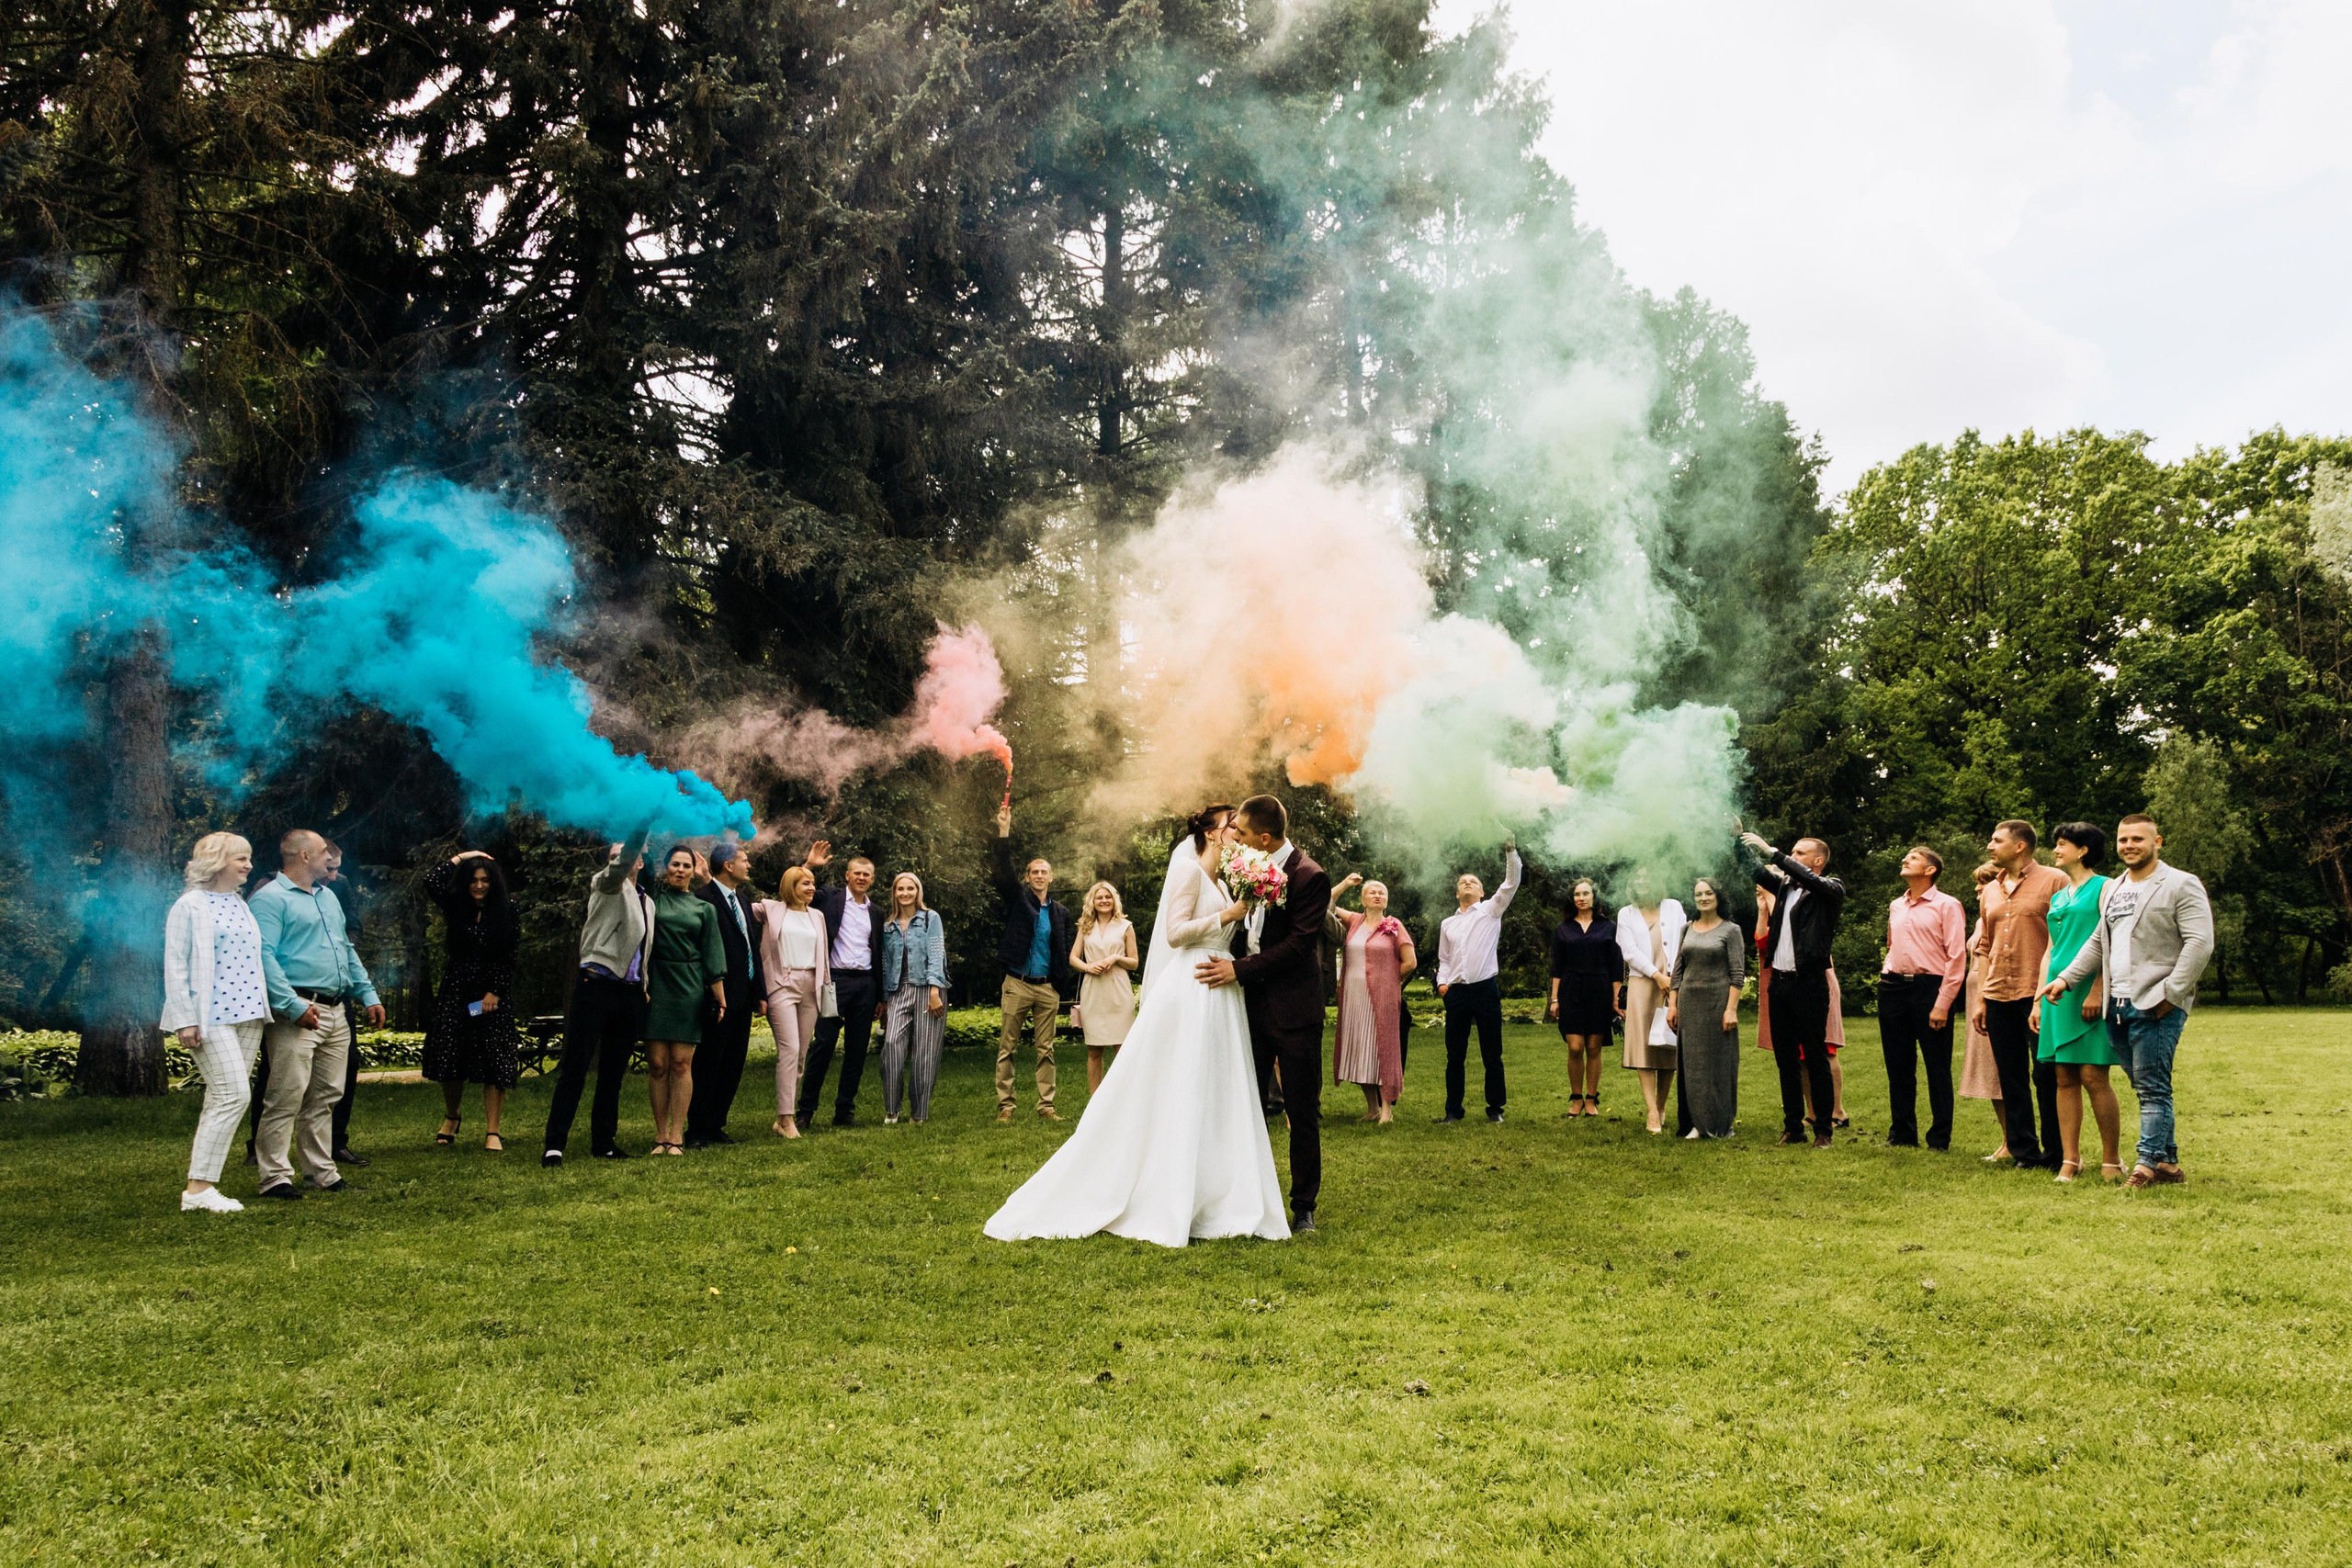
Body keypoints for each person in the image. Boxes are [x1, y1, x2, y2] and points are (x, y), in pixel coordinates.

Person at [986, 804, 1288, 1246]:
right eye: (1229, 826)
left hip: (1222, 988)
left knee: (1219, 1087)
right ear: (1208, 833)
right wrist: (1230, 914)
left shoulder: (1225, 880)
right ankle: (1170, 1187)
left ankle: (1221, 1189)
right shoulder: (1187, 872)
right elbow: (1174, 933)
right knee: (1184, 1083)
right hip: (1192, 986)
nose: (1236, 833)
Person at [2043, 813, 2214, 1190]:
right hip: (2116, 1003)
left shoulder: (2181, 884)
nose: (2129, 846)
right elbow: (2098, 943)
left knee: (2153, 1088)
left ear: (2158, 841)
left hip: (2157, 1001)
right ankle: (2168, 1163)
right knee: (2145, 1085)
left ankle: (2144, 1166)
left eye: (2138, 839)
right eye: (2123, 840)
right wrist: (2066, 979)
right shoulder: (2116, 887)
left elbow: (2200, 943)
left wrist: (2171, 993)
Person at [1198, 795, 1335, 1232]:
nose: (1231, 837)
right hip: (1248, 1008)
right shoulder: (1244, 867)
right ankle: (1241, 1200)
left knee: (1301, 1109)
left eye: (1238, 831)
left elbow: (1297, 947)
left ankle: (1303, 1207)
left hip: (1295, 1010)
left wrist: (1237, 970)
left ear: (1264, 837)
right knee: (1244, 1104)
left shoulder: (1309, 876)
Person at [249, 829, 384, 1198]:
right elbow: (264, 958)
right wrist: (293, 1007)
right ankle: (275, 1177)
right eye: (325, 851)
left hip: (336, 1010)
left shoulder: (328, 897)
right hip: (298, 1009)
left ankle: (321, 1172)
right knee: (286, 1095)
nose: (331, 857)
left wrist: (368, 994)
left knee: (326, 1095)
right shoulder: (270, 899)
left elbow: (345, 949)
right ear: (304, 856)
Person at [165, 832, 267, 1213]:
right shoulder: (189, 906)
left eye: (249, 857)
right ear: (217, 860)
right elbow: (175, 965)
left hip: (248, 1015)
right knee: (233, 1096)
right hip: (209, 1018)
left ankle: (199, 1190)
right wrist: (184, 1019)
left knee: (222, 1099)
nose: (249, 865)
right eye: (241, 858)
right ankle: (198, 1189)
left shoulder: (239, 903)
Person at [543, 825, 656, 1166]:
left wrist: (644, 986)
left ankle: (604, 1143)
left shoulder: (647, 901)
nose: (619, 861)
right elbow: (619, 864)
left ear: (641, 861)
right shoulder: (606, 884)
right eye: (613, 857)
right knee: (575, 1068)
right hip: (596, 986)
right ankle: (554, 1145)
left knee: (613, 1072)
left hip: (629, 993)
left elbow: (642, 949)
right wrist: (644, 819)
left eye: (626, 856)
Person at [1972, 819, 2070, 1171]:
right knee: (2010, 1075)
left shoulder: (2055, 881)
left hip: (2039, 993)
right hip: (1998, 993)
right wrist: (1982, 997)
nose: (1989, 846)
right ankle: (2023, 1152)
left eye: (1996, 841)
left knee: (2046, 1074)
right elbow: (1985, 945)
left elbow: (2066, 936)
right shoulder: (1991, 890)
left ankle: (2057, 1152)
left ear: (2020, 846)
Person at [1740, 829, 1844, 1148]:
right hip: (1780, 985)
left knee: (1815, 1057)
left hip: (1810, 984)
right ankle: (1793, 1128)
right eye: (1792, 853)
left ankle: (1823, 1130)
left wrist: (1773, 852)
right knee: (1785, 1060)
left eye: (1800, 853)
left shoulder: (1830, 889)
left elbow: (1807, 878)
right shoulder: (1785, 887)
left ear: (1818, 860)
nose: (1793, 856)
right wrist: (1736, 842)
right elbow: (1755, 871)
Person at [421, 850, 522, 1153]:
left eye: (485, 880)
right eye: (474, 880)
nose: (479, 886)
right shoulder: (457, 906)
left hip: (489, 997)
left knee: (494, 1057)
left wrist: (495, 992)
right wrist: (466, 856)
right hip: (457, 995)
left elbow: (510, 955)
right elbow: (431, 881)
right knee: (452, 1055)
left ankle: (493, 1131)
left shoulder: (508, 910)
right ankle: (452, 1116)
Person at [2037, 822, 2120, 1182]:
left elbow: (2112, 940)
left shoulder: (2105, 888)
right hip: (2057, 993)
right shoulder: (2058, 896)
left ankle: (2112, 1160)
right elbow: (2051, 949)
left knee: (2092, 1074)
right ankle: (2071, 1160)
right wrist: (2037, 1001)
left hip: (2088, 987)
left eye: (2061, 844)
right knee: (2063, 1075)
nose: (2055, 850)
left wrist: (2099, 988)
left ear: (2083, 849)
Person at [1879, 846, 1967, 1151]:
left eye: (1913, 858)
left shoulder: (1947, 905)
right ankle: (1902, 1133)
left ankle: (1939, 1138)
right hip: (1893, 988)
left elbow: (1956, 958)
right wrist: (1886, 971)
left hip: (1930, 988)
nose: (1905, 860)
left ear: (1930, 870)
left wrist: (1942, 1003)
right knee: (1898, 1064)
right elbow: (1893, 944)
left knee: (1937, 1066)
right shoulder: (1896, 905)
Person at [641, 846, 727, 1156]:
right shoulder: (653, 898)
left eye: (686, 865)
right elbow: (644, 867)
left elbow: (713, 953)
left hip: (689, 986)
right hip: (656, 982)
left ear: (694, 871)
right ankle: (660, 1134)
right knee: (658, 1064)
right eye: (674, 864)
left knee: (681, 1063)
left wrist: (719, 997)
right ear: (666, 869)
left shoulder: (704, 908)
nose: (679, 870)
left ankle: (677, 1135)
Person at [991, 806, 1074, 1123]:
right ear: (1028, 878)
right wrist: (1004, 831)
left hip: (1046, 988)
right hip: (1017, 983)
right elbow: (1003, 872)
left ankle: (1046, 1106)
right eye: (1034, 872)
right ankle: (1006, 1107)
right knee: (1007, 1047)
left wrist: (1057, 983)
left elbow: (1061, 949)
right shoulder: (1019, 900)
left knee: (1046, 1050)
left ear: (1051, 877)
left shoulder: (1060, 912)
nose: (1039, 876)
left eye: (1044, 872)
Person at [796, 840, 887, 1126]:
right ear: (847, 875)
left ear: (872, 879)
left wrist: (881, 996)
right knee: (823, 1045)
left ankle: (844, 1111)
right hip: (835, 980)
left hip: (866, 985)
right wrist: (809, 865)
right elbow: (794, 890)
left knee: (857, 1051)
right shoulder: (829, 898)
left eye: (867, 874)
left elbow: (880, 953)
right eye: (856, 873)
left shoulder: (877, 912)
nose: (861, 878)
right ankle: (805, 1112)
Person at [1432, 838, 1521, 1124]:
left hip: (1485, 990)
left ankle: (1495, 1110)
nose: (1467, 883)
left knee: (1492, 1054)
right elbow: (1444, 959)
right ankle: (1453, 1111)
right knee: (1455, 1056)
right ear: (1457, 893)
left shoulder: (1491, 910)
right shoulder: (1448, 923)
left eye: (1473, 881)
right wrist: (1442, 984)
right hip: (1456, 993)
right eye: (1463, 881)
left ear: (1482, 892)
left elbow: (1511, 881)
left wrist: (1510, 850)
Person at [683, 840, 764, 1148]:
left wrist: (760, 991)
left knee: (732, 1064)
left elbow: (749, 948)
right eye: (744, 860)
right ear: (728, 865)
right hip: (718, 998)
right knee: (709, 1063)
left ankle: (717, 1124)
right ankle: (697, 1129)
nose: (748, 865)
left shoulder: (742, 901)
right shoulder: (704, 898)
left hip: (744, 996)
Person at [1326, 872, 1416, 1123]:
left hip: (1382, 997)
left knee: (1383, 1050)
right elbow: (1323, 903)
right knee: (1359, 1048)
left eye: (1382, 893)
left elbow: (1410, 962)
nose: (1377, 895)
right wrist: (1345, 883)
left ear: (1386, 901)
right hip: (1354, 997)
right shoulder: (1353, 921)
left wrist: (1389, 981)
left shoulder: (1394, 926)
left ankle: (1387, 1110)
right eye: (1372, 892)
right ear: (1363, 900)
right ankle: (1372, 1108)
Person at [750, 864, 829, 1140]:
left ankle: (783, 1115)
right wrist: (706, 877)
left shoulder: (817, 916)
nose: (810, 887)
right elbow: (731, 905)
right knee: (790, 1048)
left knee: (801, 1054)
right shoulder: (770, 909)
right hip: (781, 984)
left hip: (811, 987)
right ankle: (786, 1118)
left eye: (812, 883)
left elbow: (823, 956)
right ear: (790, 887)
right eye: (804, 883)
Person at [1667, 876, 1744, 1139]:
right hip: (1689, 1004)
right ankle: (1694, 1123)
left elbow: (1737, 974)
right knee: (1691, 1065)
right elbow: (1678, 970)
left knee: (1719, 1065)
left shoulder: (1731, 930)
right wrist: (1672, 1006)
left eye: (1708, 893)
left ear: (1718, 896)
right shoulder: (1686, 929)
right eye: (1698, 894)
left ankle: (1718, 1124)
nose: (1703, 898)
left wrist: (1730, 1009)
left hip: (1717, 1004)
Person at [1546, 879, 1621, 1118]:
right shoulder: (1564, 928)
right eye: (1577, 894)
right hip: (1570, 990)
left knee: (1593, 1046)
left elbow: (1616, 965)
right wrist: (1554, 999)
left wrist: (1617, 997)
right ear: (1573, 899)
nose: (1581, 898)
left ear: (1594, 897)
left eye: (1586, 893)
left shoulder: (1609, 927)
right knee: (1576, 1047)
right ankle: (1575, 1098)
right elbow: (1557, 967)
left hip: (1600, 989)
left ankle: (1591, 1099)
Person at [879, 872, 949, 1123]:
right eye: (900, 889)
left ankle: (918, 1113)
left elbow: (936, 952)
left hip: (928, 989)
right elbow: (886, 963)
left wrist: (934, 991)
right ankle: (891, 1109)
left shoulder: (930, 918)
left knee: (925, 1053)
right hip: (898, 990)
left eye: (910, 888)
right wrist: (886, 1000)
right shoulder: (888, 926)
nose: (905, 893)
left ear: (918, 892)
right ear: (894, 893)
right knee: (891, 1046)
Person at [1616, 884, 1687, 1134]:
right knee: (1644, 1047)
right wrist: (1657, 976)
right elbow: (1629, 951)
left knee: (1668, 1044)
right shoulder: (1626, 913)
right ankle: (1651, 1110)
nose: (1644, 884)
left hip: (1673, 983)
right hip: (1643, 984)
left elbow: (1684, 943)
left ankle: (1661, 1104)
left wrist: (1673, 979)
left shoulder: (1674, 906)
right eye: (1638, 879)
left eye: (1649, 878)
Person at [1957, 863, 2007, 1160]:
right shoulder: (1981, 921)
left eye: (1984, 882)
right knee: (1990, 1074)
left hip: (1993, 997)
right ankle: (2007, 1138)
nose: (1978, 889)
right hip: (1976, 998)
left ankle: (2014, 1139)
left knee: (2000, 1071)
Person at [1071, 882, 1139, 1095]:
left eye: (1107, 897)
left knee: (1122, 1049)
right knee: (1094, 1049)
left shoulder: (1125, 926)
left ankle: (1123, 1099)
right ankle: (1095, 1100)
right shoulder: (1085, 926)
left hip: (1118, 990)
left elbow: (1134, 962)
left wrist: (1117, 958)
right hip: (1093, 990)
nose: (1104, 901)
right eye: (1099, 897)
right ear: (1093, 901)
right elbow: (1073, 957)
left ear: (1114, 900)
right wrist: (1088, 966)